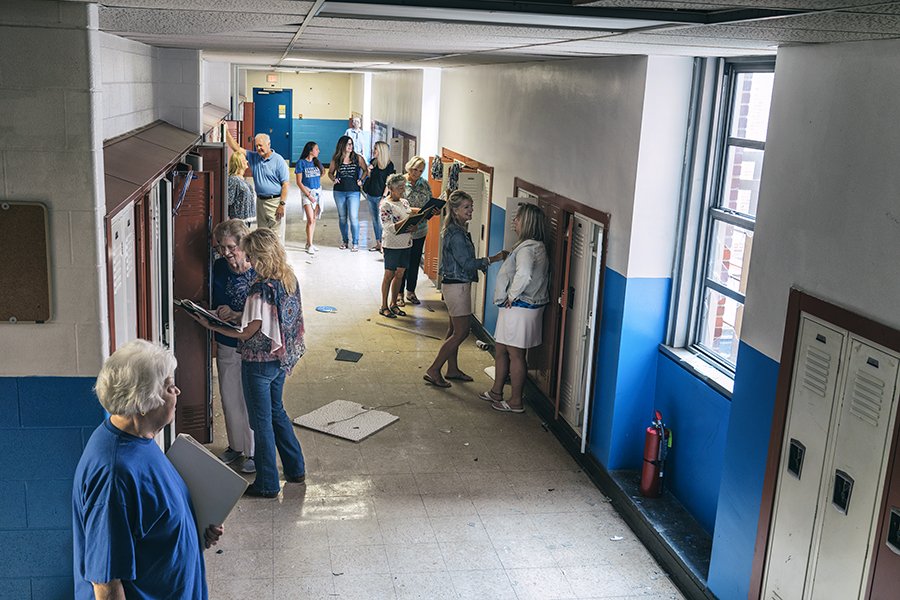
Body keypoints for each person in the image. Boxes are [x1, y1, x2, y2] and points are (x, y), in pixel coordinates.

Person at [72, 339, 224, 600]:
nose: (177, 391)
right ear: (142, 401)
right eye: (167, 386)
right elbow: (106, 584)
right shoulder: (113, 475)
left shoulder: (140, 437)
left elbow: (152, 518)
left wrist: (193, 531)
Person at [190, 228, 307, 498]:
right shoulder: (288, 278)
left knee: (261, 422)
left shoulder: (259, 289)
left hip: (258, 364)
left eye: (252, 255)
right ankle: (295, 468)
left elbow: (247, 331)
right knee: (277, 412)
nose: (250, 261)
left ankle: (267, 483)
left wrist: (211, 325)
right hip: (281, 359)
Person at [424, 190, 506, 387]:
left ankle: (452, 369)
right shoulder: (456, 234)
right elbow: (467, 264)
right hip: (457, 287)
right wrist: (493, 259)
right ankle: (434, 369)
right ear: (455, 210)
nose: (471, 210)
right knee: (461, 332)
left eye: (471, 206)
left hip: (456, 284)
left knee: (454, 329)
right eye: (466, 207)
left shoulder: (456, 229)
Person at [480, 203, 550, 413]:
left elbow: (524, 274)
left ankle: (516, 401)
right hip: (516, 307)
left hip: (520, 307)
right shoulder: (530, 246)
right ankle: (496, 391)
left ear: (526, 222)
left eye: (517, 219)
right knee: (501, 348)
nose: (514, 222)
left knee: (515, 354)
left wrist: (511, 296)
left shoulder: (529, 249)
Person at [211, 219, 256, 473]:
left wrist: (237, 313)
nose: (226, 253)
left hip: (253, 345)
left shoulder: (258, 270)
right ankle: (235, 446)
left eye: (230, 247)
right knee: (229, 397)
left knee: (249, 399)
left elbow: (265, 312)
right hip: (226, 339)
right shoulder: (218, 268)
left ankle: (253, 452)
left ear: (242, 244)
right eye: (221, 247)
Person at [226, 130, 290, 241]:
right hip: (260, 202)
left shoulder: (279, 161)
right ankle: (264, 259)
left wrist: (282, 205)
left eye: (261, 145)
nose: (258, 148)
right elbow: (236, 148)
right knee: (262, 236)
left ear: (268, 144)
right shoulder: (254, 157)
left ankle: (277, 258)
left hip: (275, 202)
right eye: (256, 146)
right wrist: (226, 131)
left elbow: (285, 185)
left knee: (276, 237)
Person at [378, 174, 413, 318]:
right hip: (392, 244)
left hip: (406, 243)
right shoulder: (385, 205)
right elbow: (389, 227)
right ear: (391, 188)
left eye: (403, 187)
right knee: (389, 275)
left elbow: (409, 216)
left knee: (400, 274)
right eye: (399, 188)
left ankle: (394, 304)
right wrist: (407, 222)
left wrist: (413, 225)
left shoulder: (404, 202)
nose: (402, 190)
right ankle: (384, 306)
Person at [401, 155, 432, 306]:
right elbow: (395, 203)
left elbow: (430, 201)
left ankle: (411, 291)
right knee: (402, 263)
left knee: (414, 262)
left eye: (420, 171)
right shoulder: (400, 182)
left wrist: (434, 210)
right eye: (414, 170)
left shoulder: (424, 184)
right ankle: (398, 293)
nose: (417, 173)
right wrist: (416, 210)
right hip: (404, 229)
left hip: (420, 230)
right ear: (409, 167)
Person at [328, 135, 368, 251]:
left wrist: (361, 180)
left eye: (351, 144)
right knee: (342, 218)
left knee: (353, 217)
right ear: (342, 145)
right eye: (348, 144)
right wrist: (333, 179)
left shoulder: (357, 158)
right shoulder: (336, 159)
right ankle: (345, 241)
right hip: (339, 191)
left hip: (354, 192)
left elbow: (365, 170)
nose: (351, 146)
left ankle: (355, 242)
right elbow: (330, 173)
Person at [363, 140, 395, 252]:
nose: (373, 151)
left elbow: (388, 182)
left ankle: (383, 243)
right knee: (375, 220)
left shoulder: (389, 165)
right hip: (370, 194)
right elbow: (370, 178)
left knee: (382, 220)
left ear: (381, 150)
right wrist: (368, 170)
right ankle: (378, 243)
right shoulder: (373, 162)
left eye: (375, 149)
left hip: (380, 196)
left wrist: (383, 197)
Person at [295, 141, 324, 254]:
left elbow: (322, 173)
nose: (318, 151)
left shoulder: (317, 162)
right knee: (310, 219)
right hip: (307, 194)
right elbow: (299, 182)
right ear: (310, 150)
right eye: (316, 149)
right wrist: (308, 195)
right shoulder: (301, 163)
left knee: (315, 219)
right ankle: (310, 244)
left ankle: (309, 242)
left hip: (317, 192)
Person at [226, 151, 255, 223]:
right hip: (238, 221)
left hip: (245, 221)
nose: (247, 161)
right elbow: (228, 201)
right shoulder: (233, 179)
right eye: (244, 160)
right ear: (239, 163)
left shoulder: (241, 179)